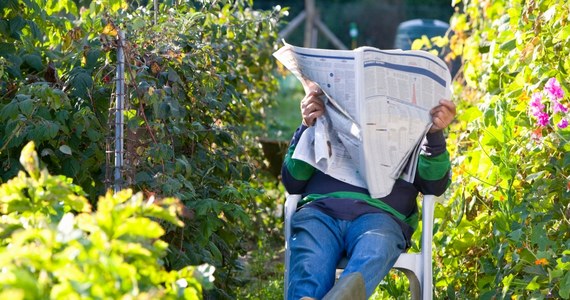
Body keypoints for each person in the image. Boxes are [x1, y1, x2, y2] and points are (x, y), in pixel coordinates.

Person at [281, 81, 456, 299]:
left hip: (381, 216)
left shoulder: (414, 129)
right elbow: (292, 181)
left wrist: (435, 136)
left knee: (374, 249)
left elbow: (434, 185)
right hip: (320, 212)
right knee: (311, 260)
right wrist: (308, 126)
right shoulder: (320, 121)